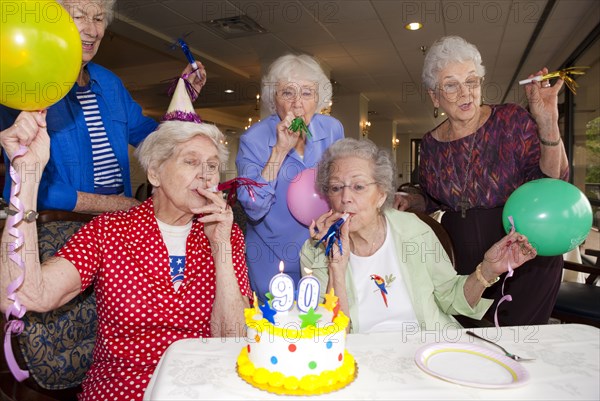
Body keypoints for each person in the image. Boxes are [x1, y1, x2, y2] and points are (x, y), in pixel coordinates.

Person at [0, 116, 251, 401]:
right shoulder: (109, 231)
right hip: (126, 389)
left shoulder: (224, 233)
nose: (206, 175)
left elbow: (232, 339)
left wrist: (221, 249)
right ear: (155, 173)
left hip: (206, 387)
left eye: (212, 166)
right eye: (191, 162)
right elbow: (22, 295)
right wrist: (27, 177)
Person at [396, 36, 569, 326]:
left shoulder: (511, 120)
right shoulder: (430, 144)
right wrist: (410, 200)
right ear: (435, 97)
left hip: (522, 252)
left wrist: (548, 120)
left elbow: (553, 180)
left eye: (472, 81)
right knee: (472, 346)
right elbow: (431, 197)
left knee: (518, 344)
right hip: (464, 264)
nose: (465, 93)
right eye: (451, 85)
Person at [300, 138, 536, 333]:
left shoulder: (414, 230)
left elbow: (449, 297)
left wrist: (488, 269)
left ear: (381, 195)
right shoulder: (315, 251)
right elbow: (329, 335)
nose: (345, 197)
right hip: (362, 359)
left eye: (358, 186)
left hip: (429, 347)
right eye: (335, 187)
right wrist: (336, 267)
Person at [0, 0, 206, 213]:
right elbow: (25, 187)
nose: (92, 30)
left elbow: (156, 140)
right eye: (79, 17)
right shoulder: (30, 85)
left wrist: (184, 98)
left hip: (117, 226)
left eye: (98, 19)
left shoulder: (110, 83)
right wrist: (117, 205)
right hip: (63, 228)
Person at [235, 54, 344, 303]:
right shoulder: (253, 140)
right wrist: (280, 151)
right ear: (274, 98)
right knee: (277, 332)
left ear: (319, 98)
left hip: (322, 254)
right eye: (287, 93)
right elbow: (252, 207)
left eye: (307, 93)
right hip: (272, 258)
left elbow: (342, 186)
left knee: (324, 324)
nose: (297, 104)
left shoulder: (332, 129)